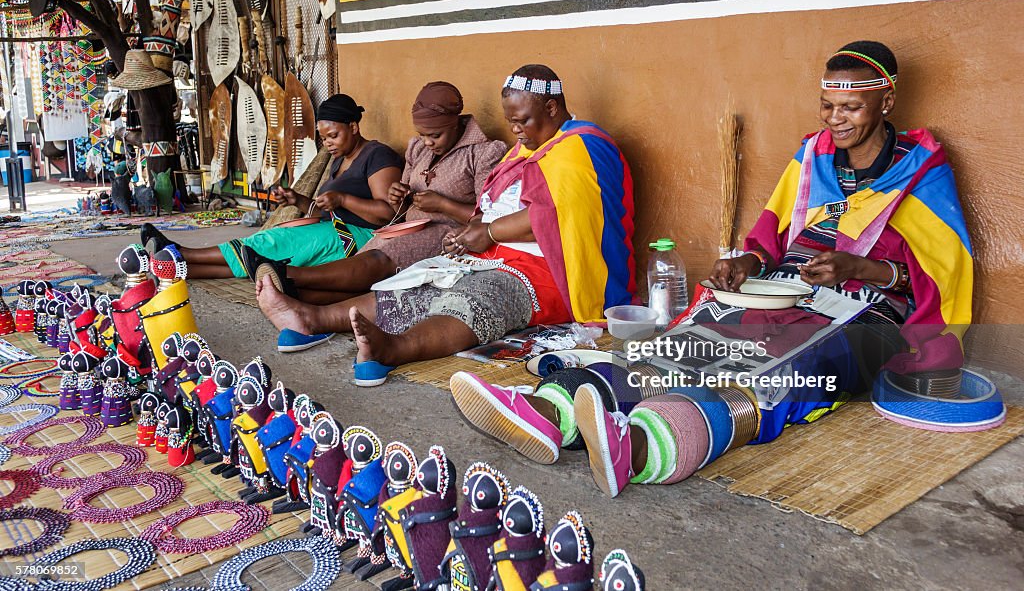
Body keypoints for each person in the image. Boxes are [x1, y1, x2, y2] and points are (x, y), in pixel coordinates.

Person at [448, 41, 974, 498]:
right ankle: (552, 411)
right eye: (827, 106)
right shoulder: (812, 156)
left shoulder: (922, 169)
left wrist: (860, 266)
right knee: (697, 339)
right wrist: (746, 263)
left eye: (851, 108)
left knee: (786, 370)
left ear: (887, 101)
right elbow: (770, 235)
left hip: (868, 313)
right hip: (792, 292)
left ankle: (641, 445)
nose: (835, 119)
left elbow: (937, 278)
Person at [257, 64, 636, 385]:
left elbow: (552, 217)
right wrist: (472, 236)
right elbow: (490, 208)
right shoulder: (531, 148)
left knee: (479, 297)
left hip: (551, 270)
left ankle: (392, 349)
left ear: (552, 108)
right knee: (420, 282)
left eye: (522, 121)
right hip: (494, 252)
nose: (516, 132)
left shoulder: (584, 147)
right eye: (511, 122)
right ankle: (312, 318)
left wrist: (484, 232)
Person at [251, 81, 508, 307]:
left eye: (435, 135)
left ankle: (289, 275)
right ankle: (296, 297)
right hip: (407, 227)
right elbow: (397, 208)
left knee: (378, 260)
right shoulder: (418, 149)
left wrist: (441, 204)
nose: (428, 142)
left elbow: (487, 218)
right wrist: (401, 195)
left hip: (448, 234)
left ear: (455, 124)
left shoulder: (482, 153)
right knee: (366, 266)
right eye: (422, 135)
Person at [141, 94, 403, 279]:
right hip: (332, 230)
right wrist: (296, 199)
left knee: (273, 243)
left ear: (354, 127)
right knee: (266, 258)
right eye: (323, 139)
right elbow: (320, 210)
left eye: (333, 136)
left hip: (360, 239)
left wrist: (343, 200)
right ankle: (179, 269)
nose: (328, 144)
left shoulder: (377, 155)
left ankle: (179, 251)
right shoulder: (339, 162)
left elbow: (388, 215)